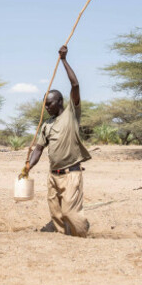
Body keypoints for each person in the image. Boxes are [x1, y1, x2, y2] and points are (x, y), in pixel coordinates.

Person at [22, 45, 92, 237]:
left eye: (49, 104)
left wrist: (63, 60)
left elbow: (75, 86)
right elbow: (38, 149)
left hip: (71, 174)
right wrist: (29, 165)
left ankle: (82, 231)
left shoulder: (71, 114)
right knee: (57, 215)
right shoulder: (46, 125)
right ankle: (63, 242)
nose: (47, 108)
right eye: (45, 105)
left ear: (60, 102)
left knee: (71, 213)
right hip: (53, 176)